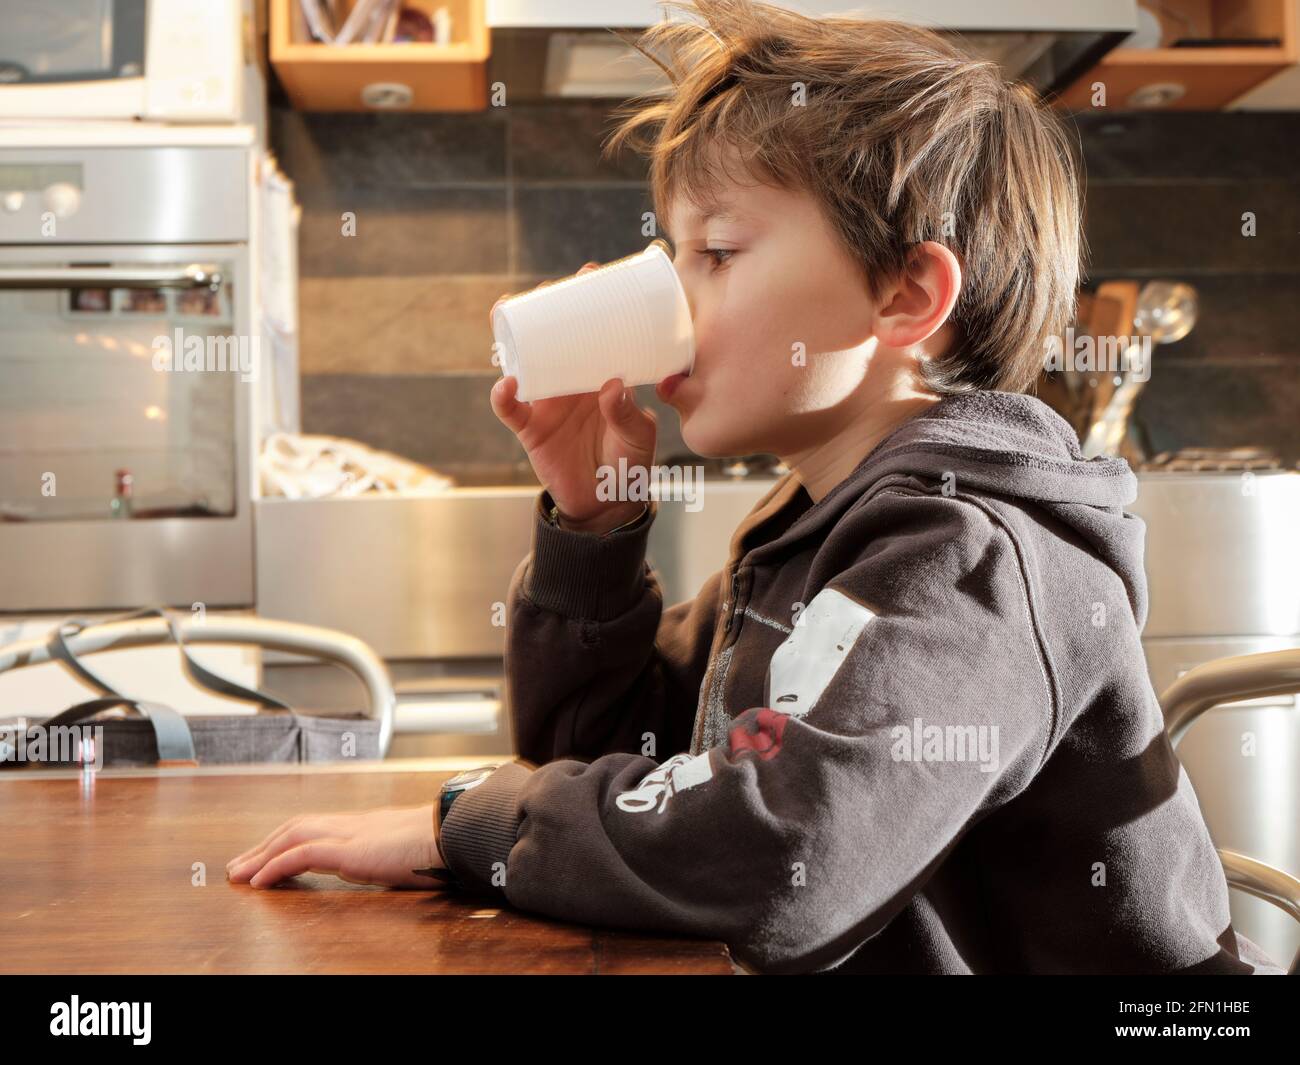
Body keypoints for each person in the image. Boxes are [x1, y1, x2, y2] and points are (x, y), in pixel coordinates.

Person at [228, 0, 1283, 975]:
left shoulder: (969, 553)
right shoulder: (805, 524)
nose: (671, 299)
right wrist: (596, 523)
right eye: (672, 253)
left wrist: (468, 819)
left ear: (905, 294)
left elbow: (790, 849)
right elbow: (618, 759)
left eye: (718, 252)